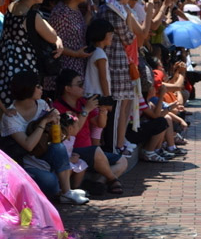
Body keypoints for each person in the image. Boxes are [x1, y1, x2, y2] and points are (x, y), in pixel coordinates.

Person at [0, 71, 88, 204]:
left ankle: (66, 192)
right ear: (28, 89)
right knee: (50, 183)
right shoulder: (11, 116)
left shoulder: (41, 104)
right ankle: (52, 192)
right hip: (24, 162)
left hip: (43, 154)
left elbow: (55, 139)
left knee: (58, 147)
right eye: (38, 86)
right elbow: (28, 145)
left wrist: (56, 122)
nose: (42, 89)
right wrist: (43, 121)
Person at [53, 69, 127, 194]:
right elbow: (73, 132)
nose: (84, 87)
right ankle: (113, 180)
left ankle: (99, 182)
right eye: (79, 84)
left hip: (89, 151)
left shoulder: (82, 102)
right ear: (68, 88)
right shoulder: (57, 107)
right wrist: (85, 111)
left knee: (122, 161)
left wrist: (103, 110)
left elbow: (100, 123)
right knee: (96, 150)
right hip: (73, 151)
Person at [0, 0, 64, 114]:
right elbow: (52, 37)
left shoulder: (11, 7)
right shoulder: (32, 16)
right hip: (25, 67)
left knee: (10, 109)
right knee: (26, 110)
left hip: (7, 64)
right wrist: (58, 39)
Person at [97, 0, 136, 156]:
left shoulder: (106, 8)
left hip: (112, 64)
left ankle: (117, 145)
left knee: (117, 109)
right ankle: (114, 148)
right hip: (117, 66)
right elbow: (129, 37)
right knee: (116, 110)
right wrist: (128, 17)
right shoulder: (114, 11)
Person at [46, 0, 92, 96]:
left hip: (77, 68)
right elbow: (54, 44)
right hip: (64, 72)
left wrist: (89, 15)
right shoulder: (61, 13)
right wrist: (76, 53)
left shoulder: (76, 9)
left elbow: (79, 31)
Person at [84, 18, 114, 146]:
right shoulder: (100, 54)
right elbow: (103, 78)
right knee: (97, 130)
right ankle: (96, 153)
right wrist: (107, 98)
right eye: (110, 34)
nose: (112, 36)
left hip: (90, 95)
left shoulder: (95, 52)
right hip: (97, 97)